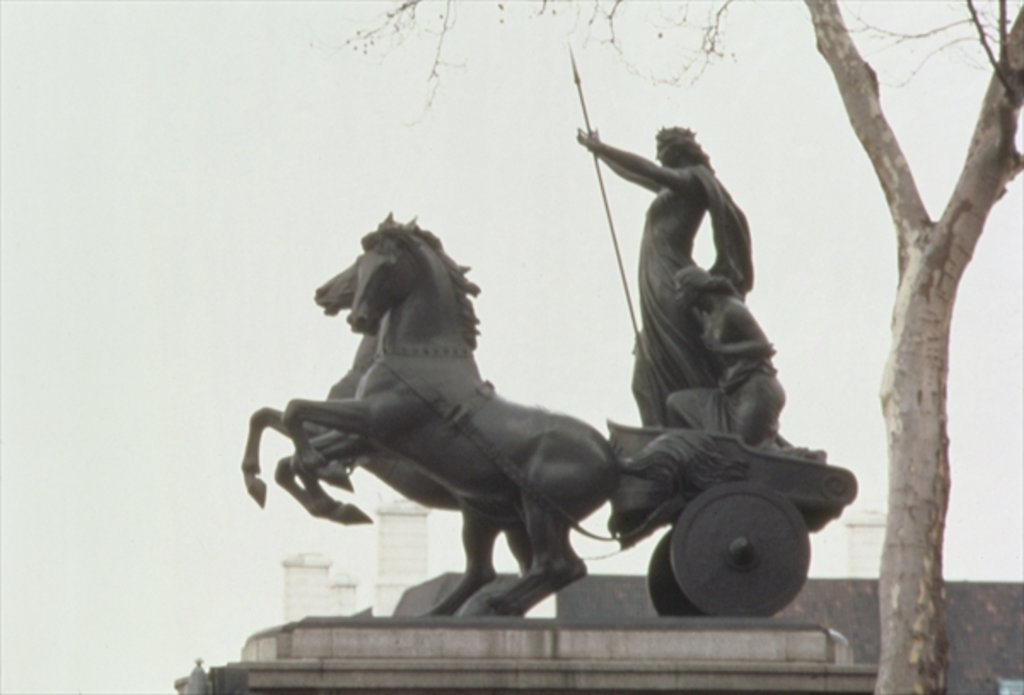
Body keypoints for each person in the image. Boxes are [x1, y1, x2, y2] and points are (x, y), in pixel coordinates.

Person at [577, 127, 753, 425]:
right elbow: (637, 174)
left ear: (679, 150)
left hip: (670, 278)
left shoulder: (693, 178)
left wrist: (602, 147)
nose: (658, 156)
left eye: (663, 149)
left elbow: (647, 169)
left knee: (679, 354)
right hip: (656, 276)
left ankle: (701, 427)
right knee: (648, 365)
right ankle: (661, 430)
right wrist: (599, 153)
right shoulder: (673, 186)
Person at [665, 265, 784, 449]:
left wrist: (724, 349)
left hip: (756, 391)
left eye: (680, 291)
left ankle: (804, 458)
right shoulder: (706, 316)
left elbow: (764, 347)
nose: (678, 297)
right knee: (677, 404)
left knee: (743, 450)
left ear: (694, 289)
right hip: (730, 394)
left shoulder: (731, 308)